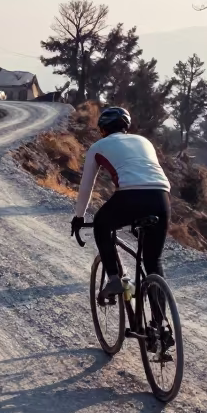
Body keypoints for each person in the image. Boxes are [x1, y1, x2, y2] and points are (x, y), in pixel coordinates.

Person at [70, 105, 171, 300]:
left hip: (130, 195)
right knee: (153, 261)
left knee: (101, 224)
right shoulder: (144, 141)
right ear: (126, 127)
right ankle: (161, 326)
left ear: (103, 130)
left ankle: (114, 279)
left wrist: (79, 217)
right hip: (161, 196)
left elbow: (86, 186)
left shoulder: (98, 146)